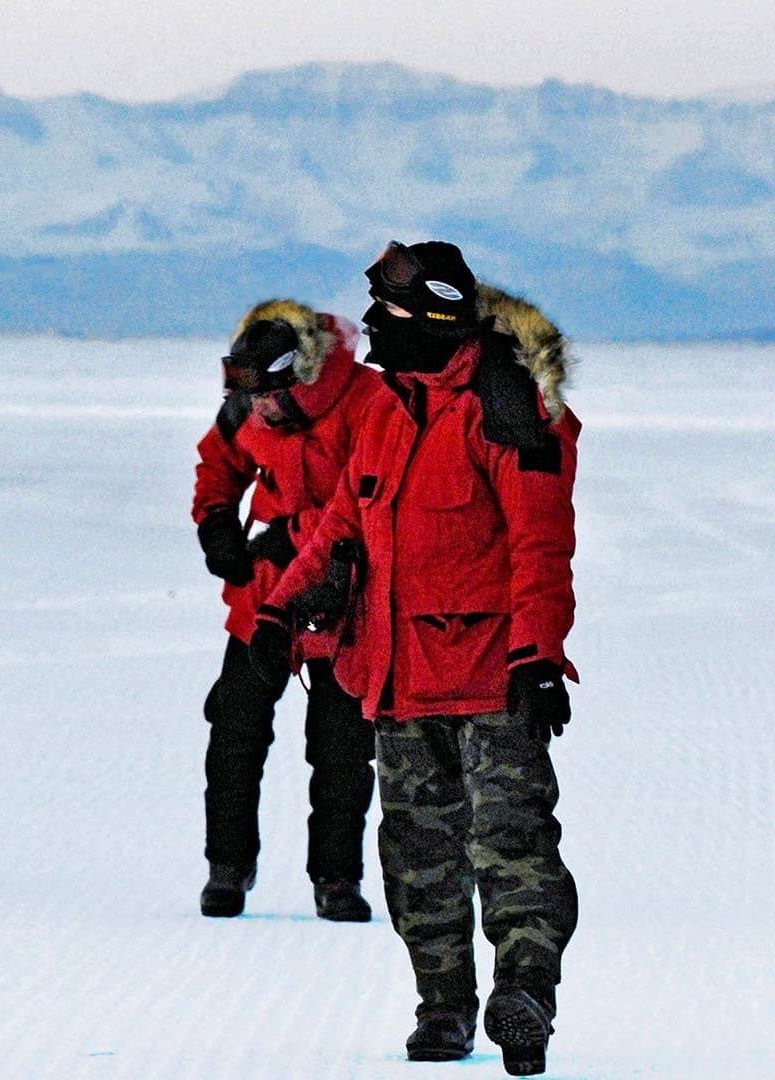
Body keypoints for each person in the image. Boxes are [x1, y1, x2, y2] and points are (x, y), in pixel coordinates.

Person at [250, 241, 580, 1076]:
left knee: (512, 848)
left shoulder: (505, 407)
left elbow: (542, 544)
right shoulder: (387, 412)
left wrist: (539, 656)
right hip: (396, 682)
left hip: (490, 678)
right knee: (417, 860)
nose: (368, 329)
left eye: (386, 317)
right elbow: (343, 527)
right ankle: (443, 1009)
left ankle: (526, 995)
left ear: (431, 319)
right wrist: (282, 612)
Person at [190, 299, 384, 920]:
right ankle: (227, 870)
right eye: (252, 399)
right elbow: (217, 462)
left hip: (345, 596)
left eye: (269, 397)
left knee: (342, 745)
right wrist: (217, 521)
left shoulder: (368, 403)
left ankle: (337, 881)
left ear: (298, 377)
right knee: (234, 730)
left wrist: (294, 532)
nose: (260, 410)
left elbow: (369, 499)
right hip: (264, 593)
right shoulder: (249, 402)